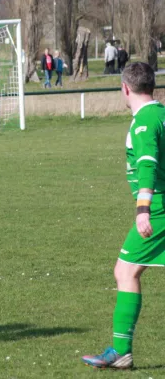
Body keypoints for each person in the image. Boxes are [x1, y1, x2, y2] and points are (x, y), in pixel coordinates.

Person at [82, 62, 165, 369]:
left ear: (126, 89)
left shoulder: (143, 122)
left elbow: (147, 165)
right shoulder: (162, 114)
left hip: (158, 208)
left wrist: (143, 210)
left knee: (125, 272)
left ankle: (121, 352)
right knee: (127, 271)